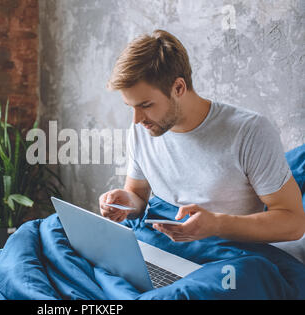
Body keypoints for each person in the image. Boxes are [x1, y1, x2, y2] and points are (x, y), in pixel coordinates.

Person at [99, 29, 305, 243]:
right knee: (63, 232)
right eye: (130, 106)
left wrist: (216, 224)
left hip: (228, 253)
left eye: (146, 105)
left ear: (178, 87)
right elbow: (138, 195)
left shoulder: (250, 131)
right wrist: (126, 202)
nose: (136, 119)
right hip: (163, 242)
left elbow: (293, 223)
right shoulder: (143, 127)